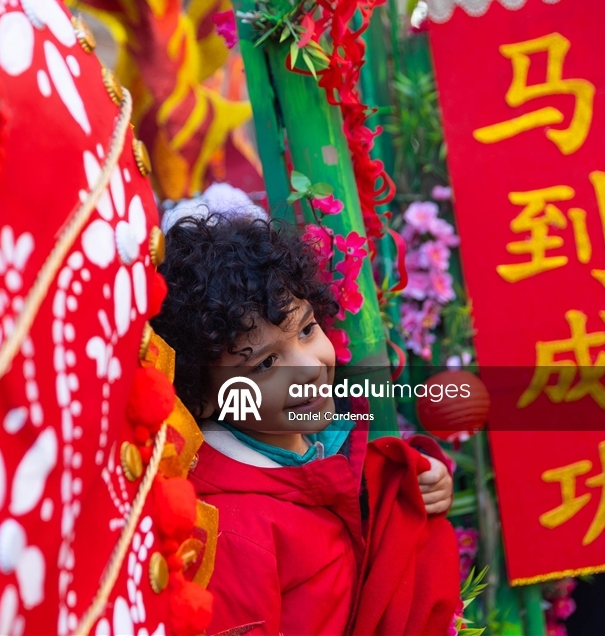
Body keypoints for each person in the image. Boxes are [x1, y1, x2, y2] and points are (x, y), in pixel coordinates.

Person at [151, 213, 456, 636]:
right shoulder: (232, 533)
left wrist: (422, 476)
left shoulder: (320, 438)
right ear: (200, 396)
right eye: (267, 363)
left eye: (308, 329)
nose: (310, 368)